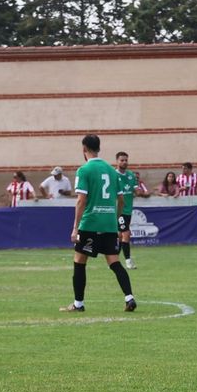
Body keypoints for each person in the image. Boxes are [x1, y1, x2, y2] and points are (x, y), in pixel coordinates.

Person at [61, 134, 135, 314]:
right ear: (99, 148)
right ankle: (129, 298)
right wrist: (115, 220)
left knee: (79, 262)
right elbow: (121, 201)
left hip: (90, 224)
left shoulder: (84, 170)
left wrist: (75, 228)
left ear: (84, 149)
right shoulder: (112, 171)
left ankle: (78, 304)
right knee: (114, 262)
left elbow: (81, 200)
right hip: (109, 224)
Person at [114, 151, 148, 269]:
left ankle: (114, 260)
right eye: (122, 160)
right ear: (117, 161)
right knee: (126, 234)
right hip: (118, 210)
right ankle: (128, 262)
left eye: (126, 160)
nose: (124, 162)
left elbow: (136, 190)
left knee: (120, 235)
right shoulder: (113, 175)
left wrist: (143, 193)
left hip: (128, 209)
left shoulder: (131, 175)